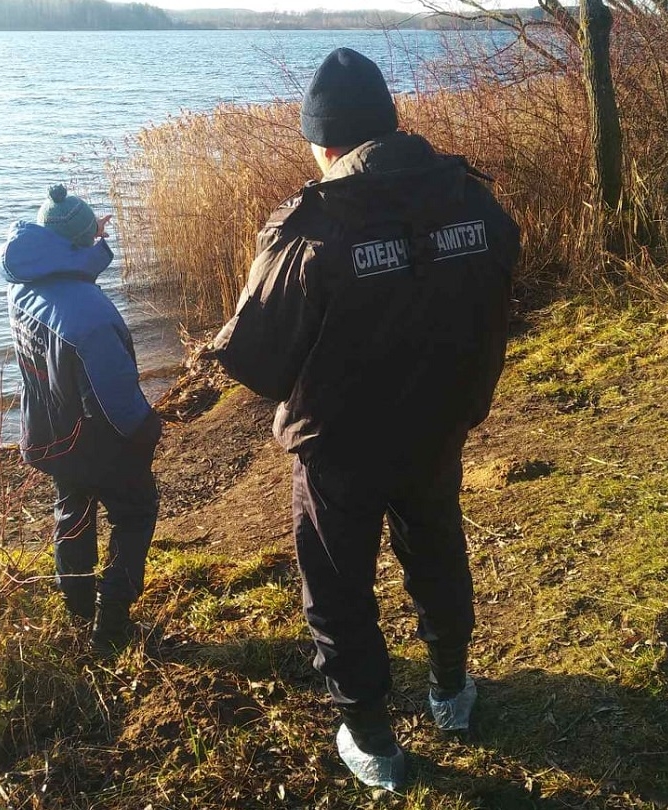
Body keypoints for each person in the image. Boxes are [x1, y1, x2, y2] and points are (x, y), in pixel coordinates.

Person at [212, 48, 520, 790]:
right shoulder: (470, 199)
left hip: (339, 449)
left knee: (338, 583)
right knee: (437, 551)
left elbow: (255, 362)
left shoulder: (310, 226)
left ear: (323, 145)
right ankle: (450, 690)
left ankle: (372, 739)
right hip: (439, 426)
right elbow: (495, 291)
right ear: (389, 123)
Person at [0, 184, 162, 659]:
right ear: (77, 244)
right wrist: (151, 428)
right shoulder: (90, 315)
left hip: (49, 432)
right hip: (95, 439)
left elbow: (69, 271)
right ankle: (111, 624)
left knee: (73, 511)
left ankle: (77, 607)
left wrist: (93, 241)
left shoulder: (23, 283)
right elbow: (120, 406)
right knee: (135, 512)